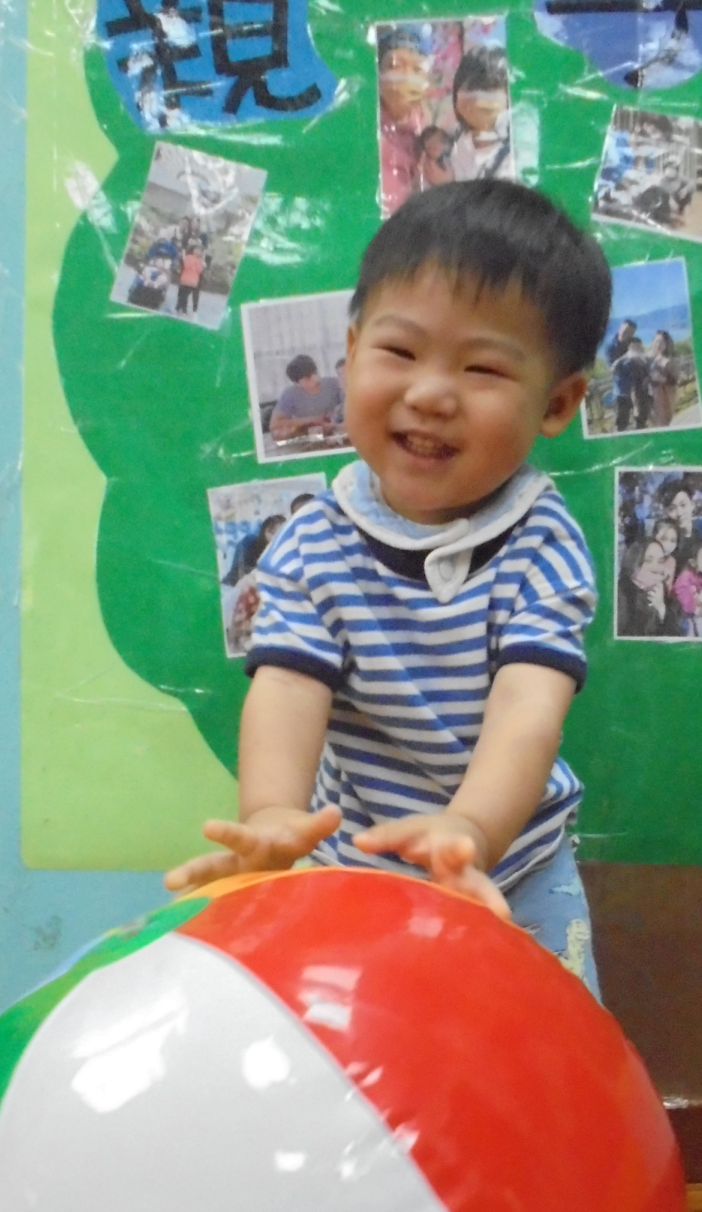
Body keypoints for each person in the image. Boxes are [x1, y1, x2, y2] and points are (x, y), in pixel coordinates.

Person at [164, 181, 613, 996]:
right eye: (400, 353)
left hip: (513, 868)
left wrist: (470, 831)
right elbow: (287, 689)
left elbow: (529, 707)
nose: (430, 393)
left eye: (482, 367)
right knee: (357, 1048)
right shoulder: (312, 542)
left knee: (553, 1046)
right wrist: (272, 818)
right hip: (355, 865)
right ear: (349, 355)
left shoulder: (543, 544)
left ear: (557, 403)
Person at [377, 27, 431, 213]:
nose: (407, 76)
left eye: (417, 69)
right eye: (395, 66)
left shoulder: (425, 126)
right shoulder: (366, 126)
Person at [448, 48, 513, 183]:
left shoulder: (513, 157)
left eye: (488, 89)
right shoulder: (452, 142)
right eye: (470, 88)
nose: (477, 98)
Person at [617, 537, 684, 638]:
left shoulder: (662, 590)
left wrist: (662, 609)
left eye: (660, 561)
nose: (655, 568)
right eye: (648, 561)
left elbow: (676, 639)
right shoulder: (621, 592)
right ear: (634, 561)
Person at [268, 355, 344, 442]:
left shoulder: (333, 384)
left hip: (335, 434)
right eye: (308, 378)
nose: (315, 378)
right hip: (307, 438)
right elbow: (274, 424)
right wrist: (312, 420)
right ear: (297, 383)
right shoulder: (290, 394)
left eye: (315, 373)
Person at [222, 514, 286, 588]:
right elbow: (238, 572)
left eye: (281, 534)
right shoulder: (249, 542)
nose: (276, 537)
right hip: (232, 588)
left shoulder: (287, 552)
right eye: (272, 532)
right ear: (263, 532)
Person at [612, 337, 651, 431]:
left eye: (639, 345)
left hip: (640, 394)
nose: (638, 348)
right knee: (621, 422)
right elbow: (613, 371)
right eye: (635, 346)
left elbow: (649, 374)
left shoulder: (644, 360)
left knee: (641, 420)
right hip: (622, 395)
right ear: (629, 347)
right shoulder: (621, 360)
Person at [647, 330, 679, 427]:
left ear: (666, 344)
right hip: (647, 396)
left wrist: (662, 379)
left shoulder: (669, 360)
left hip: (662, 396)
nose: (658, 344)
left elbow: (675, 380)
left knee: (663, 423)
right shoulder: (648, 358)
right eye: (656, 341)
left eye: (661, 342)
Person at [174, 240, 206, 316]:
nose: (197, 252)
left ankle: (183, 310)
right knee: (183, 295)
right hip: (186, 279)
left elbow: (199, 270)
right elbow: (186, 265)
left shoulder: (199, 261)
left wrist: (199, 263)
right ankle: (181, 309)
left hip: (192, 281)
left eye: (199, 251)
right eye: (196, 250)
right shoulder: (189, 257)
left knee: (185, 295)